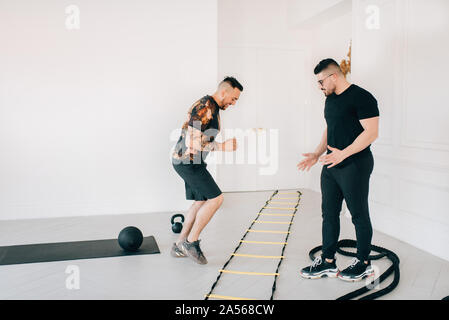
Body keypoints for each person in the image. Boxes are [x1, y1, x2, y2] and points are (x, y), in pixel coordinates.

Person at [298, 59, 380, 281]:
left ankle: (364, 263)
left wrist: (344, 153)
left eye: (321, 81)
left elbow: (371, 132)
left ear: (334, 76)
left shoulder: (362, 97)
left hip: (355, 164)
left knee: (359, 214)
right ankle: (327, 262)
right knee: (329, 214)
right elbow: (331, 127)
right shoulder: (330, 100)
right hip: (331, 165)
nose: (319, 86)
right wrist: (317, 153)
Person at [171, 77, 243, 264]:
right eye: (233, 98)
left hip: (192, 162)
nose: (233, 103)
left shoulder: (214, 107)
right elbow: (191, 142)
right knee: (216, 198)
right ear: (223, 92)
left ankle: (179, 245)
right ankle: (191, 242)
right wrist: (222, 146)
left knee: (200, 201)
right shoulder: (204, 108)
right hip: (188, 162)